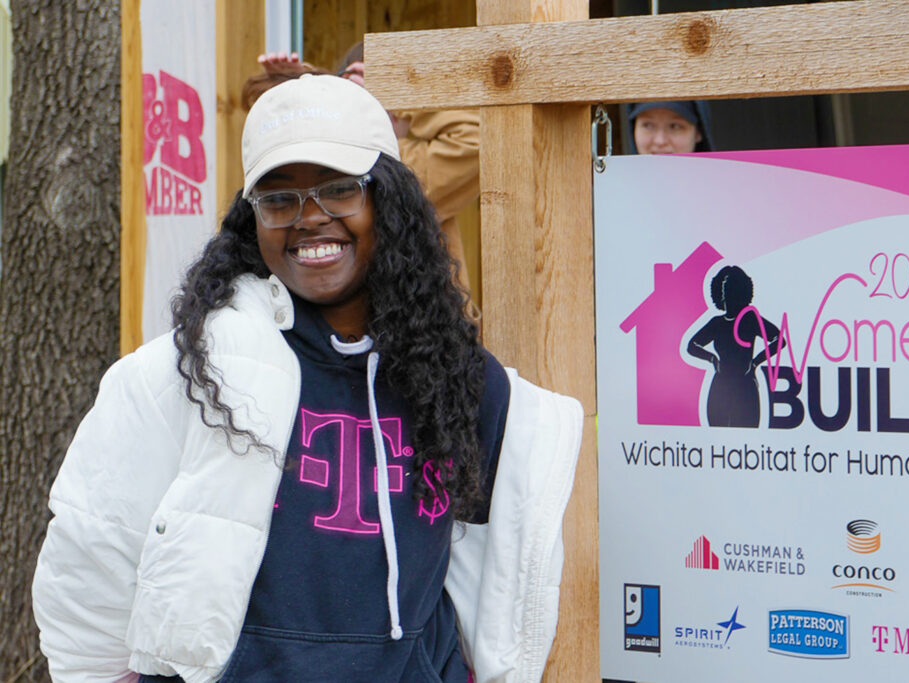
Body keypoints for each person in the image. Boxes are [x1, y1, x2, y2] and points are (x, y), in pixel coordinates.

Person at [32, 75, 582, 682]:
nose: (310, 218)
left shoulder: (461, 381)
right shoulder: (184, 376)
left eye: (339, 190)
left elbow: (486, 573)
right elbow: (92, 561)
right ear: (252, 218)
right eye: (278, 199)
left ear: (388, 201)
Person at [247, 46, 481, 298]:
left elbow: (478, 139)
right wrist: (309, 86)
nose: (313, 217)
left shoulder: (410, 166)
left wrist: (400, 93)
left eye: (340, 189)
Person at [686, 265, 782, 428]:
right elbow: (691, 346)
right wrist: (712, 358)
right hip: (720, 386)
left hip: (745, 386)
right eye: (724, 292)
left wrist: (755, 362)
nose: (726, 297)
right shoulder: (717, 323)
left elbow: (778, 340)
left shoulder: (750, 319)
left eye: (730, 292)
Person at [626, 100, 714, 155]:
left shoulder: (721, 183)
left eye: (674, 126)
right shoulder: (617, 184)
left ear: (698, 132)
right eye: (648, 125)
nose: (660, 141)